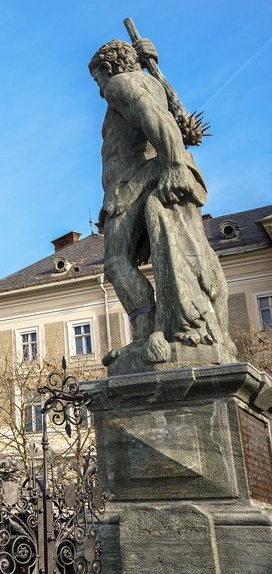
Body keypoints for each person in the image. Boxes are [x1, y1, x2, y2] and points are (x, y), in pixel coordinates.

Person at [89, 39, 236, 374]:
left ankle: (145, 334)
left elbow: (154, 117)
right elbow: (174, 115)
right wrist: (150, 62)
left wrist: (173, 165)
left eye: (97, 78)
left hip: (134, 181)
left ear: (107, 68)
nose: (99, 88)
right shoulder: (149, 81)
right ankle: (160, 329)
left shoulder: (120, 84)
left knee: (116, 262)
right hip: (147, 174)